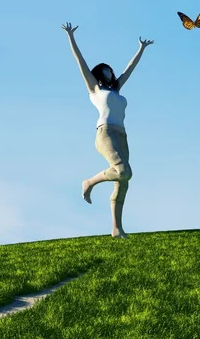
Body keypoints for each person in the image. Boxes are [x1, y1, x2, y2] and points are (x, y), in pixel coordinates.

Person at [61, 22, 154, 239]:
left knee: (123, 182)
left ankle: (116, 229)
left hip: (122, 135)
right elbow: (80, 62)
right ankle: (89, 182)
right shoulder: (94, 88)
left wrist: (141, 49)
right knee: (123, 171)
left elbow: (129, 70)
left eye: (111, 70)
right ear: (99, 73)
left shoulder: (116, 89)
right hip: (105, 134)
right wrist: (71, 37)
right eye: (106, 70)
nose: (111, 72)